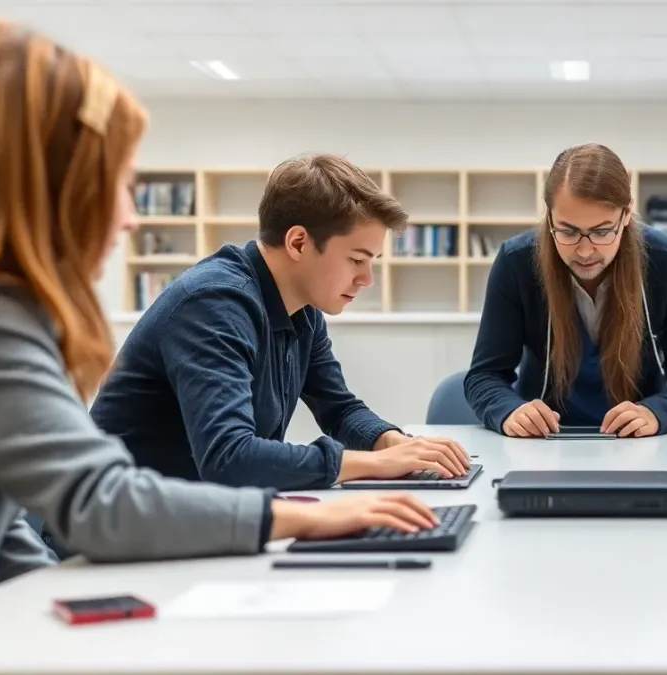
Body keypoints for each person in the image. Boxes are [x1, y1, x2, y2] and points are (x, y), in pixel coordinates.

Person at [0, 20, 439, 587]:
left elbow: (0, 526)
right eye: (118, 185)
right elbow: (110, 500)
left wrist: (33, 604)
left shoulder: (301, 313)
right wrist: (309, 514)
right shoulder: (211, 301)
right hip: (123, 551)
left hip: (142, 549)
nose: (129, 217)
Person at [88, 159, 472, 491]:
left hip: (201, 520)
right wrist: (376, 465)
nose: (367, 279)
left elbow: (338, 408)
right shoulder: (214, 303)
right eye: (357, 259)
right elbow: (230, 458)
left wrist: (391, 443)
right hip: (117, 539)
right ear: (299, 243)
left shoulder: (302, 309)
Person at [465, 143, 667, 438]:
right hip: (544, 445)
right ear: (549, 217)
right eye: (568, 231)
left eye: (602, 231)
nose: (585, 251)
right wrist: (508, 410)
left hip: (643, 443)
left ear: (626, 214)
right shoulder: (516, 262)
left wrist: (658, 412)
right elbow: (483, 376)